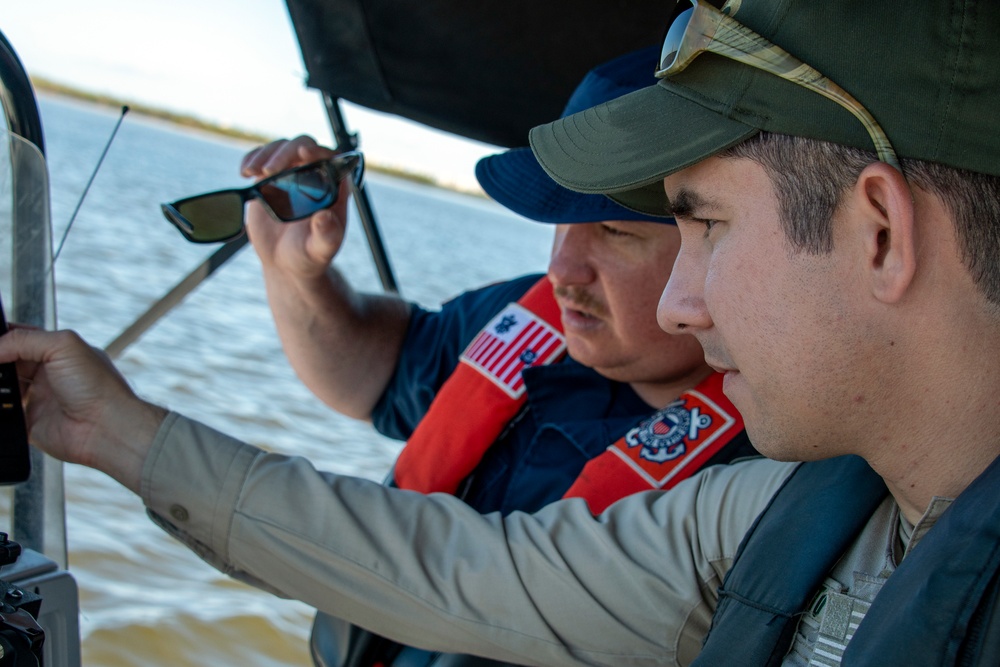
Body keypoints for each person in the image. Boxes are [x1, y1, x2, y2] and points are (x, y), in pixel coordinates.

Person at [5, 0, 999, 664]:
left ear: (876, 232)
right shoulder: (782, 510)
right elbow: (454, 563)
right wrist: (110, 431)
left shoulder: (756, 474)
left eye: (700, 222)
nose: (687, 303)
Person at [241, 45, 753, 667]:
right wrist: (295, 274)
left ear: (717, 245)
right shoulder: (527, 315)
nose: (561, 270)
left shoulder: (766, 462)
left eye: (614, 232)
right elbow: (371, 376)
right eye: (558, 222)